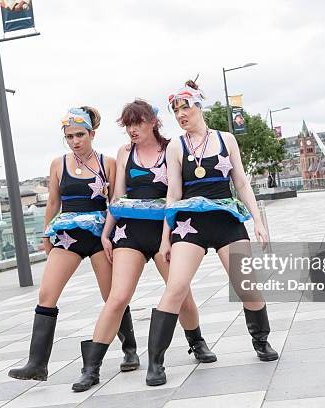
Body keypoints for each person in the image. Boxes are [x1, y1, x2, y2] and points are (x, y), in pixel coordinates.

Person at [72, 100, 216, 393]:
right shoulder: (125, 152)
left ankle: (196, 342)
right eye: (127, 125)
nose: (132, 130)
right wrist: (107, 233)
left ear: (153, 122)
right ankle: (91, 368)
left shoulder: (172, 147)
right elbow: (119, 196)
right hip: (130, 231)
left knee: (179, 293)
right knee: (118, 296)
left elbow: (178, 192)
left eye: (137, 123)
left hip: (167, 231)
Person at [143, 80, 279, 386]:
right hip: (189, 224)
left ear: (199, 107)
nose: (181, 115)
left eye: (185, 107)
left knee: (247, 285)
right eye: (175, 111)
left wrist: (258, 222)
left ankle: (261, 340)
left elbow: (241, 183)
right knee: (176, 287)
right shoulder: (176, 146)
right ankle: (156, 360)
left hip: (226, 220)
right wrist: (166, 236)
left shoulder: (226, 139)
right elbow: (173, 193)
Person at [8, 106, 139, 382]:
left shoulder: (108, 163)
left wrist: (115, 237)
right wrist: (46, 235)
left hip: (99, 235)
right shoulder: (59, 164)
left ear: (92, 133)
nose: (75, 141)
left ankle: (130, 350)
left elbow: (116, 203)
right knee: (46, 295)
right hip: (67, 235)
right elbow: (53, 202)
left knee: (111, 297)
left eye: (80, 134)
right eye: (69, 136)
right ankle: (37, 363)